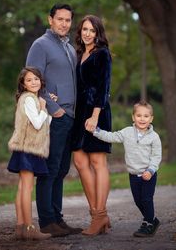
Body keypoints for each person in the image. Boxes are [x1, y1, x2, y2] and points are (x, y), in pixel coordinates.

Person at [26, 4, 81, 237]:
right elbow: (31, 79)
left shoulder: (70, 48)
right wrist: (53, 107)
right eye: (60, 19)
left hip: (71, 117)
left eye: (68, 20)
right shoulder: (41, 45)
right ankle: (47, 222)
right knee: (49, 170)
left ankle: (58, 220)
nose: (64, 23)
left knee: (61, 170)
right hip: (54, 117)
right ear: (50, 20)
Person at [88, 100, 162, 237]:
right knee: (138, 201)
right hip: (133, 175)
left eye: (146, 116)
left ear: (151, 119)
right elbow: (112, 136)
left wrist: (151, 170)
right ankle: (151, 219)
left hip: (148, 175)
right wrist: (96, 131)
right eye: (139, 115)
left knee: (146, 199)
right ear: (133, 117)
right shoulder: (127, 132)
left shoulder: (154, 137)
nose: (142, 119)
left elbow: (156, 156)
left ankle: (149, 223)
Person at [72, 15, 112, 236]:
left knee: (98, 161)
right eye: (84, 29)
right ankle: (97, 213)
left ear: (98, 33)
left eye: (92, 30)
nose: (87, 33)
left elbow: (104, 87)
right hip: (79, 114)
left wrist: (96, 115)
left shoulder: (102, 54)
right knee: (79, 161)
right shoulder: (78, 54)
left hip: (97, 112)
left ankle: (99, 216)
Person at [7, 66, 52, 241]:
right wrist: (43, 107)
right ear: (23, 84)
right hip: (28, 149)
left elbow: (45, 121)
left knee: (22, 187)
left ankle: (20, 227)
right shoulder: (29, 100)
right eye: (29, 80)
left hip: (24, 148)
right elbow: (38, 123)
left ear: (41, 81)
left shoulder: (30, 99)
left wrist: (44, 108)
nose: (34, 82)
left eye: (36, 79)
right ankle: (30, 227)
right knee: (27, 187)